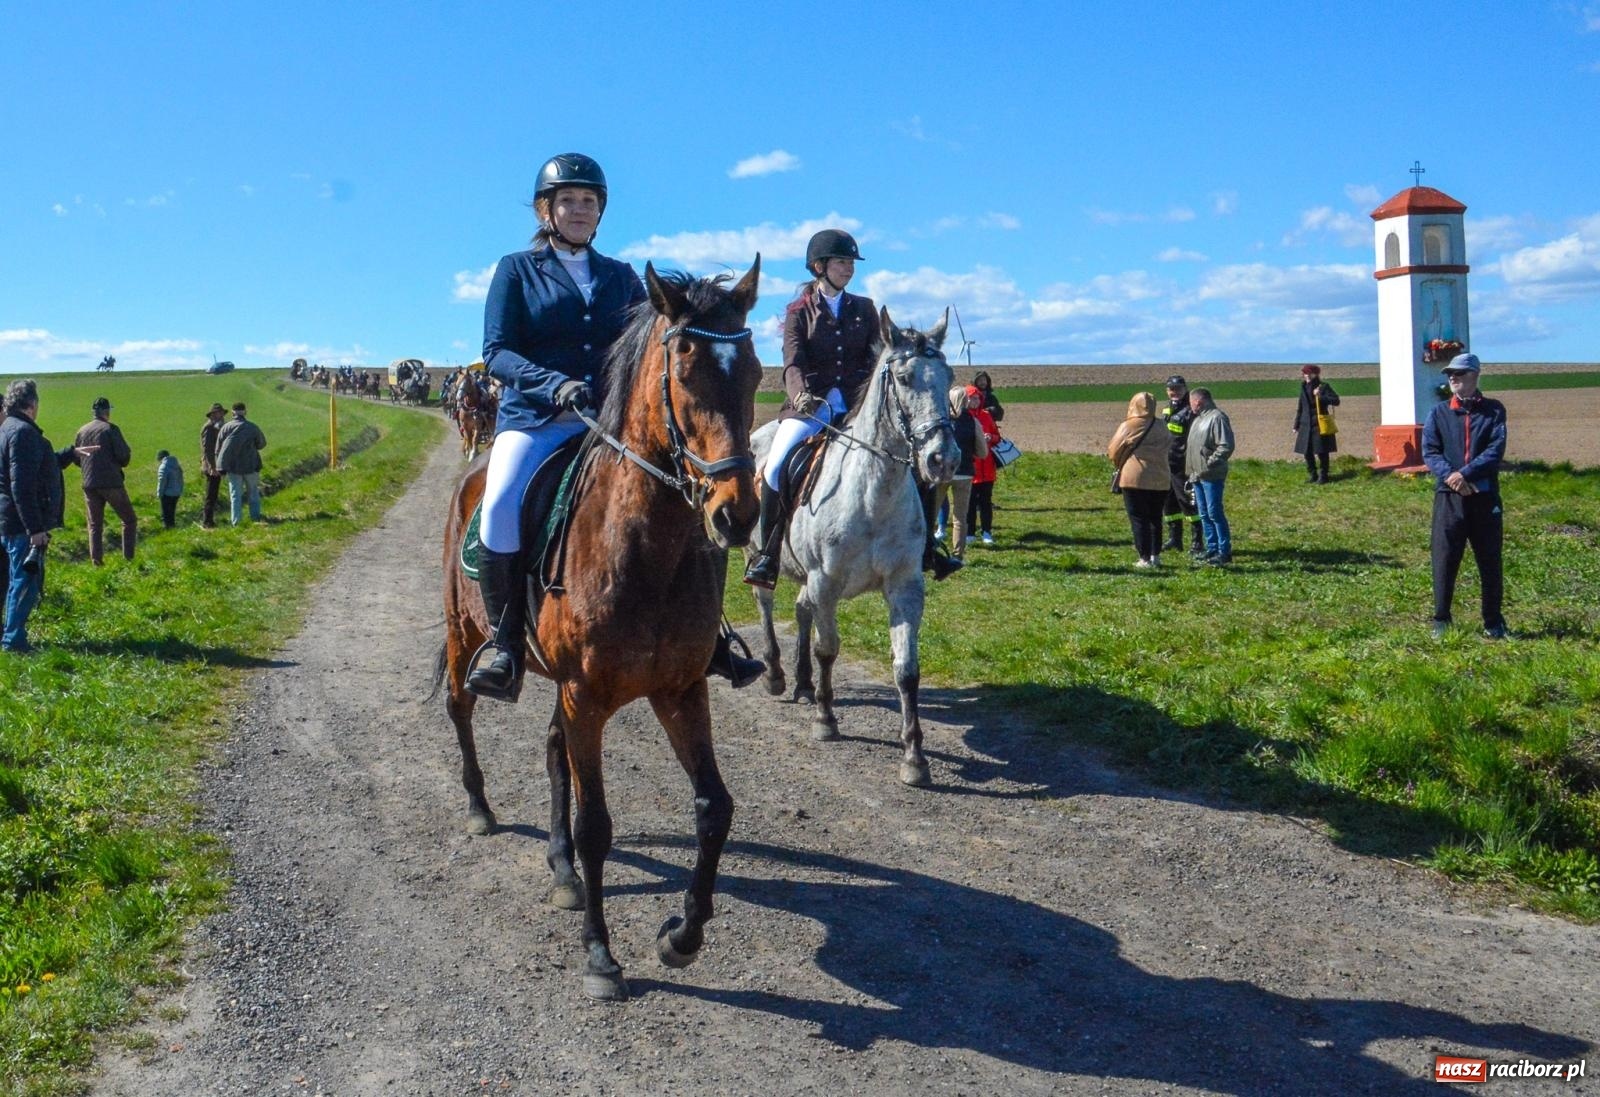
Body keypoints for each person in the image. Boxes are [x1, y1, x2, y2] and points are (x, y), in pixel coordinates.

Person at [473, 152, 760, 700]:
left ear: (600, 211)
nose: (579, 210)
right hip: (537, 421)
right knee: (501, 501)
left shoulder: (622, 276)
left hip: (608, 425)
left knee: (691, 503)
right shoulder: (516, 270)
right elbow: (497, 352)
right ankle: (506, 644)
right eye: (568, 201)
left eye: (589, 201)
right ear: (546, 210)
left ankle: (712, 635)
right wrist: (552, 383)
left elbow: (655, 347)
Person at [744, 229, 960, 589]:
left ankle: (927, 548)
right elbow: (792, 362)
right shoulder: (799, 311)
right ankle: (767, 554)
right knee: (777, 464)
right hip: (810, 408)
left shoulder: (864, 308)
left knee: (910, 460)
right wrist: (801, 396)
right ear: (819, 266)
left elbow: (877, 358)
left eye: (850, 263)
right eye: (842, 262)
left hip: (860, 409)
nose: (849, 269)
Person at [1422, 353, 1509, 640]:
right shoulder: (1439, 413)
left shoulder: (1494, 411)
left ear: (1475, 375)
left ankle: (1493, 621)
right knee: (1445, 558)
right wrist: (1452, 477)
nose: (1452, 378)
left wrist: (1467, 474)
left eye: (1458, 373)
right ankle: (1441, 619)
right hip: (1449, 497)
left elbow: (1495, 451)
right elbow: (1430, 451)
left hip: (1484, 497)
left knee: (1489, 560)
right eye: (1450, 374)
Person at [0, 380, 69, 654]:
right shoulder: (24, 433)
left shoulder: (5, 428)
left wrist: (68, 454)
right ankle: (13, 641)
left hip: (6, 518)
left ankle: (8, 635)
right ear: (31, 404)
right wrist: (35, 529)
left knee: (8, 581)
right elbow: (22, 484)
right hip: (20, 524)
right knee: (23, 581)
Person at [70, 396, 136, 565]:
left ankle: (96, 561)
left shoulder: (81, 431)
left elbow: (76, 458)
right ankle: (129, 559)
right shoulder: (110, 429)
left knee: (94, 525)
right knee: (129, 520)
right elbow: (123, 456)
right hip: (111, 482)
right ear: (107, 412)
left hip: (89, 484)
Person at [1108, 392, 1173, 567]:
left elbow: (1113, 450)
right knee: (1155, 517)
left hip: (1134, 477)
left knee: (1138, 518)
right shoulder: (1162, 426)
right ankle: (1155, 555)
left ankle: (1144, 557)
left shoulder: (1128, 426)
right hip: (1161, 477)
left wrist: (1121, 462)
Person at [1185, 387, 1235, 566]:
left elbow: (1225, 445)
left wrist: (1210, 462)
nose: (1190, 406)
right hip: (1196, 475)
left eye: (1191, 403)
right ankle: (1211, 548)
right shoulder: (1198, 419)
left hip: (1211, 475)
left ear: (1199, 401)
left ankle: (1224, 551)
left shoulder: (1217, 418)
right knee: (1204, 514)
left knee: (1214, 513)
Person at [932, 385, 982, 560]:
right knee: (960, 517)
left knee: (932, 512)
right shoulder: (973, 421)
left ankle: (927, 550)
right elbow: (982, 452)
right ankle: (958, 555)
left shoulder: (941, 421)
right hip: (965, 472)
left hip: (943, 472)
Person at [1157, 376, 1203, 558]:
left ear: (1185, 389)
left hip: (1183, 466)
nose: (1174, 392)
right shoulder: (1168, 407)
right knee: (1168, 503)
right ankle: (1175, 539)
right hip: (1167, 463)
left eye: (1178, 388)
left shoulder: (1189, 410)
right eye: (1171, 389)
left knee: (1188, 503)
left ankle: (1197, 542)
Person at [216, 402, 267, 524]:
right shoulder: (252, 427)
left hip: (233, 468)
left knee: (235, 495)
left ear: (233, 412)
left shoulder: (226, 428)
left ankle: (236, 521)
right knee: (253, 493)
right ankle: (255, 518)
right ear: (245, 412)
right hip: (250, 466)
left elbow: (218, 448)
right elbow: (261, 444)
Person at [1292, 364, 1341, 484]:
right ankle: (1313, 474)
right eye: (1304, 373)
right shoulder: (1303, 386)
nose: (1306, 375)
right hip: (1305, 425)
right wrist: (1296, 424)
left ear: (1315, 374)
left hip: (1319, 424)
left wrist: (1321, 396)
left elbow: (1336, 400)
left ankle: (1323, 476)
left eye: (1309, 373)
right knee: (1306, 452)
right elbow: (1301, 407)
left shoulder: (1323, 386)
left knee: (1321, 451)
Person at [965, 384, 1000, 545]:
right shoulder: (963, 417)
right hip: (972, 468)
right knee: (970, 503)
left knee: (986, 502)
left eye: (977, 397)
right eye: (972, 397)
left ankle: (987, 531)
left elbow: (997, 437)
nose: (975, 400)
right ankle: (970, 532)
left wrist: (990, 438)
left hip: (987, 467)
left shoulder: (986, 416)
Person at [199, 402, 226, 528]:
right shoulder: (209, 428)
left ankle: (210, 520)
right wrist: (213, 467)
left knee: (213, 495)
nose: (221, 415)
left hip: (216, 465)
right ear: (213, 415)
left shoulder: (217, 427)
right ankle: (207, 521)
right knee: (211, 495)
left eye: (221, 413)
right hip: (212, 467)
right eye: (218, 413)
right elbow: (207, 449)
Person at [156, 449, 185, 529]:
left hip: (167, 494)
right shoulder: (177, 465)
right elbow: (181, 479)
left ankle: (167, 529)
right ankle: (172, 526)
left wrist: (159, 493)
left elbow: (162, 481)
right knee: (172, 511)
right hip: (176, 493)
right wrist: (180, 490)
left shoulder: (163, 467)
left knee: (165, 513)